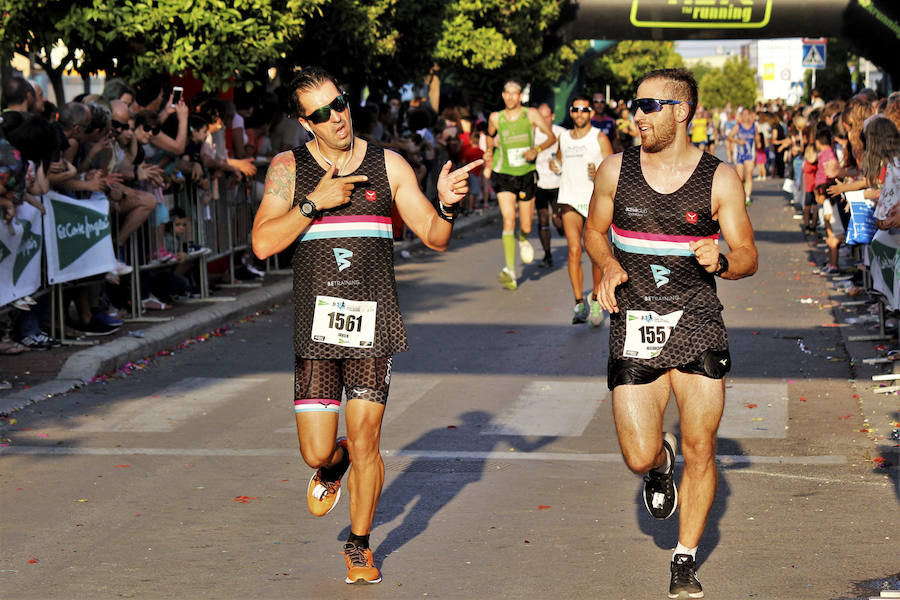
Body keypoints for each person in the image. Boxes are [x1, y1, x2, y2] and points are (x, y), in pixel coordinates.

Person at [250, 66, 481, 586]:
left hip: (372, 326)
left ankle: (359, 545)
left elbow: (434, 235)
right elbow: (263, 244)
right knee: (315, 449)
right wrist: (314, 203)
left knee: (367, 436)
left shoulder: (388, 164)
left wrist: (445, 202)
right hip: (316, 328)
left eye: (342, 103)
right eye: (323, 112)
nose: (338, 116)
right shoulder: (288, 169)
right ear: (306, 123)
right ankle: (334, 466)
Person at [584, 68, 757, 599]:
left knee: (701, 444)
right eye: (634, 107)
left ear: (681, 112)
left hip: (697, 320)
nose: (636, 115)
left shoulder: (719, 178)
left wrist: (723, 261)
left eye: (649, 106)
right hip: (635, 321)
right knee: (637, 454)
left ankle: (684, 558)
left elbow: (749, 255)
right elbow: (593, 231)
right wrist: (606, 266)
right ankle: (660, 466)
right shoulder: (616, 170)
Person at [484, 79, 556, 290]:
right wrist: (489, 151)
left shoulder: (531, 114)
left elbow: (551, 137)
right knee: (508, 219)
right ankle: (511, 271)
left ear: (520, 96)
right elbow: (489, 136)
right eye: (507, 93)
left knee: (524, 225)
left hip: (526, 174)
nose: (511, 97)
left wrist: (537, 149)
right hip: (504, 173)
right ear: (504, 95)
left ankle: (522, 236)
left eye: (515, 93)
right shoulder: (495, 117)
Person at [556, 94, 612, 326]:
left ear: (590, 113)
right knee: (574, 250)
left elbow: (612, 171)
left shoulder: (598, 137)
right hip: (569, 197)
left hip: (592, 200)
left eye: (584, 109)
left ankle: (597, 299)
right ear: (570, 112)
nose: (579, 113)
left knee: (595, 253)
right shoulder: (564, 138)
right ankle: (579, 302)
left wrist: (597, 172)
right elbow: (558, 161)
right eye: (575, 109)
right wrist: (554, 165)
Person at [533, 102, 566, 267]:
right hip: (539, 184)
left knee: (557, 219)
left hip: (558, 184)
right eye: (540, 116)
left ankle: (560, 225)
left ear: (552, 116)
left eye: (546, 116)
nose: (543, 120)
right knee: (543, 218)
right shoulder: (532, 135)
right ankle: (547, 255)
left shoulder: (562, 133)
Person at [728, 108, 757, 205]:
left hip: (750, 154)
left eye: (747, 114)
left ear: (749, 115)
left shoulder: (754, 126)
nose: (745, 116)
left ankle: (747, 197)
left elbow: (757, 137)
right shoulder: (738, 126)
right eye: (743, 114)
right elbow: (729, 136)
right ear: (741, 116)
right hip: (739, 153)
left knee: (749, 175)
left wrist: (759, 142)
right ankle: (741, 195)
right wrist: (738, 141)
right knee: (740, 177)